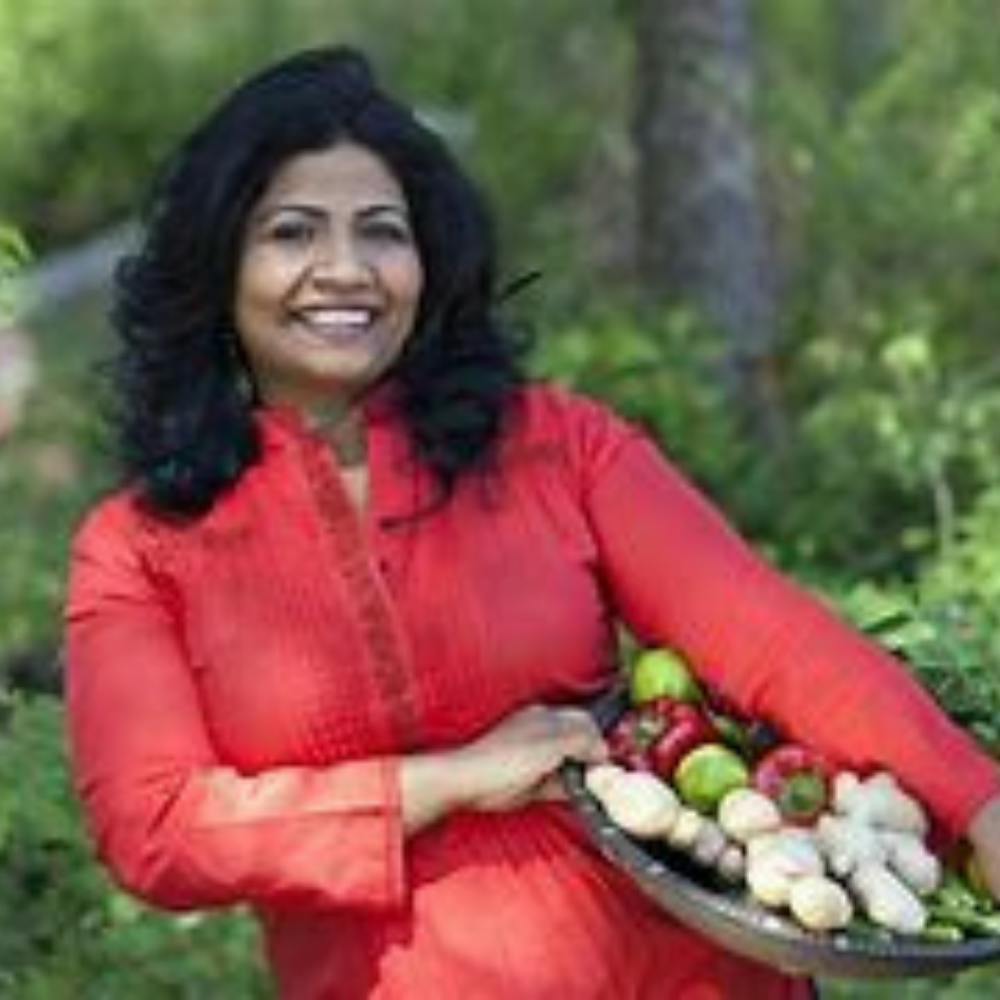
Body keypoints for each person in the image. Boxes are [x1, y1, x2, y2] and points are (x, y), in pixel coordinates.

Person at [65, 46, 1000, 1000]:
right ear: (219, 265)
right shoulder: (140, 546)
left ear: (428, 262)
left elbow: (768, 637)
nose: (345, 270)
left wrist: (976, 801)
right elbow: (158, 829)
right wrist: (454, 778)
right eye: (293, 233)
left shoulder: (557, 444)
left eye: (383, 233)